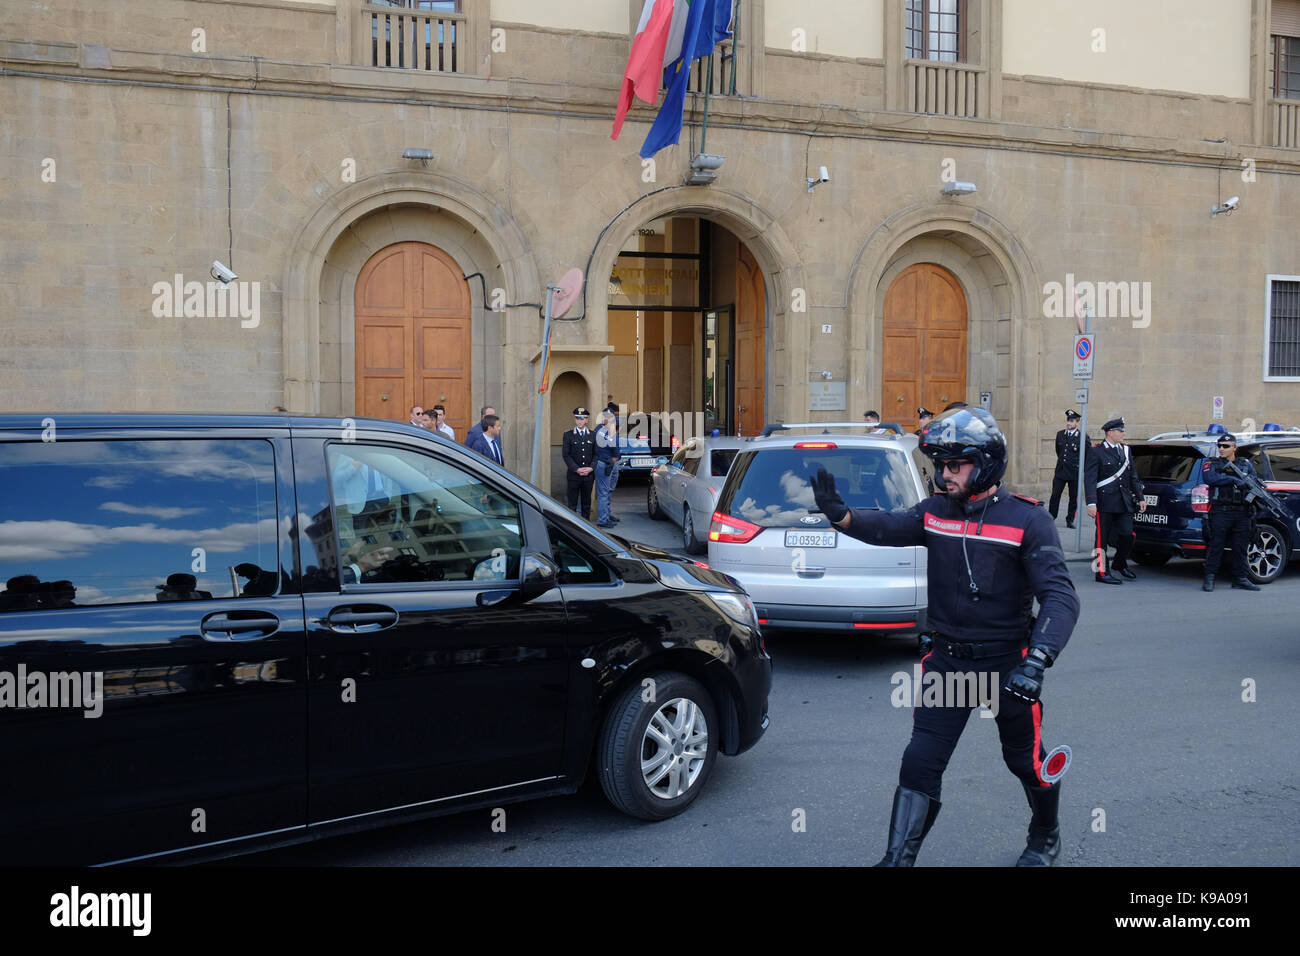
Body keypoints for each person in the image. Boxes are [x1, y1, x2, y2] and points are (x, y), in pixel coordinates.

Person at [811, 407, 1079, 867]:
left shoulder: (1027, 521)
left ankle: (1045, 836)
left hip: (1008, 668)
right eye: (940, 465)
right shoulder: (935, 511)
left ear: (987, 464)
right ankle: (897, 860)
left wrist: (1037, 661)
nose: (944, 474)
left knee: (1025, 762)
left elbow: (1061, 596)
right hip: (947, 663)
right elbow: (890, 527)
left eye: (955, 465)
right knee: (919, 763)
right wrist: (843, 516)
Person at [1084, 417, 1145, 584]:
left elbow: (1133, 476)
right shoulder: (1096, 451)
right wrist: (1091, 503)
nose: (1123, 433)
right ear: (1110, 433)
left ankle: (1119, 563)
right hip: (1104, 502)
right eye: (1120, 430)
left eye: (1123, 430)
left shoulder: (1126, 450)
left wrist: (1140, 497)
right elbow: (1090, 479)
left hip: (1124, 501)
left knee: (1128, 535)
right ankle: (1101, 572)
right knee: (1101, 539)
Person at [1201, 433, 1262, 591]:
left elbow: (1254, 481)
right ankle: (1209, 577)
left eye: (1225, 446)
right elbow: (1211, 479)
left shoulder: (1245, 464)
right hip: (1221, 511)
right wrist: (1233, 480)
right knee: (1216, 545)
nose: (1221, 448)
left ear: (1235, 447)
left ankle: (1240, 578)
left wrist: (1250, 484)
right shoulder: (1211, 463)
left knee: (1240, 547)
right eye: (1219, 445)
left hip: (1242, 511)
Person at [1049, 410, 1083, 529]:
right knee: (1055, 495)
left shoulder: (1083, 437)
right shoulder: (1060, 434)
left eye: (1072, 420)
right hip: (1061, 471)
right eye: (1068, 420)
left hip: (1074, 472)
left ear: (1077, 422)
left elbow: (1086, 455)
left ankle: (1070, 520)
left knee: (1073, 497)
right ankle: (1051, 516)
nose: (1069, 423)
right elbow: (1059, 451)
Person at [562, 407, 597, 520]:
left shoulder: (593, 435)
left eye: (582, 418)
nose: (580, 421)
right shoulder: (568, 435)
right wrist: (576, 469)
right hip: (574, 476)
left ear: (586, 420)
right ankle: (572, 528)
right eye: (577, 418)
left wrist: (591, 468)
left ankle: (586, 529)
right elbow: (566, 455)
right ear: (575, 419)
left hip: (588, 476)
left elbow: (596, 455)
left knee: (586, 505)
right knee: (572, 505)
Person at [594, 408, 622, 527]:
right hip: (605, 463)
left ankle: (606, 515)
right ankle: (602, 520)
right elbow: (616, 454)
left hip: (609, 463)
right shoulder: (605, 430)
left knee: (608, 490)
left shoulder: (598, 429)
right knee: (604, 492)